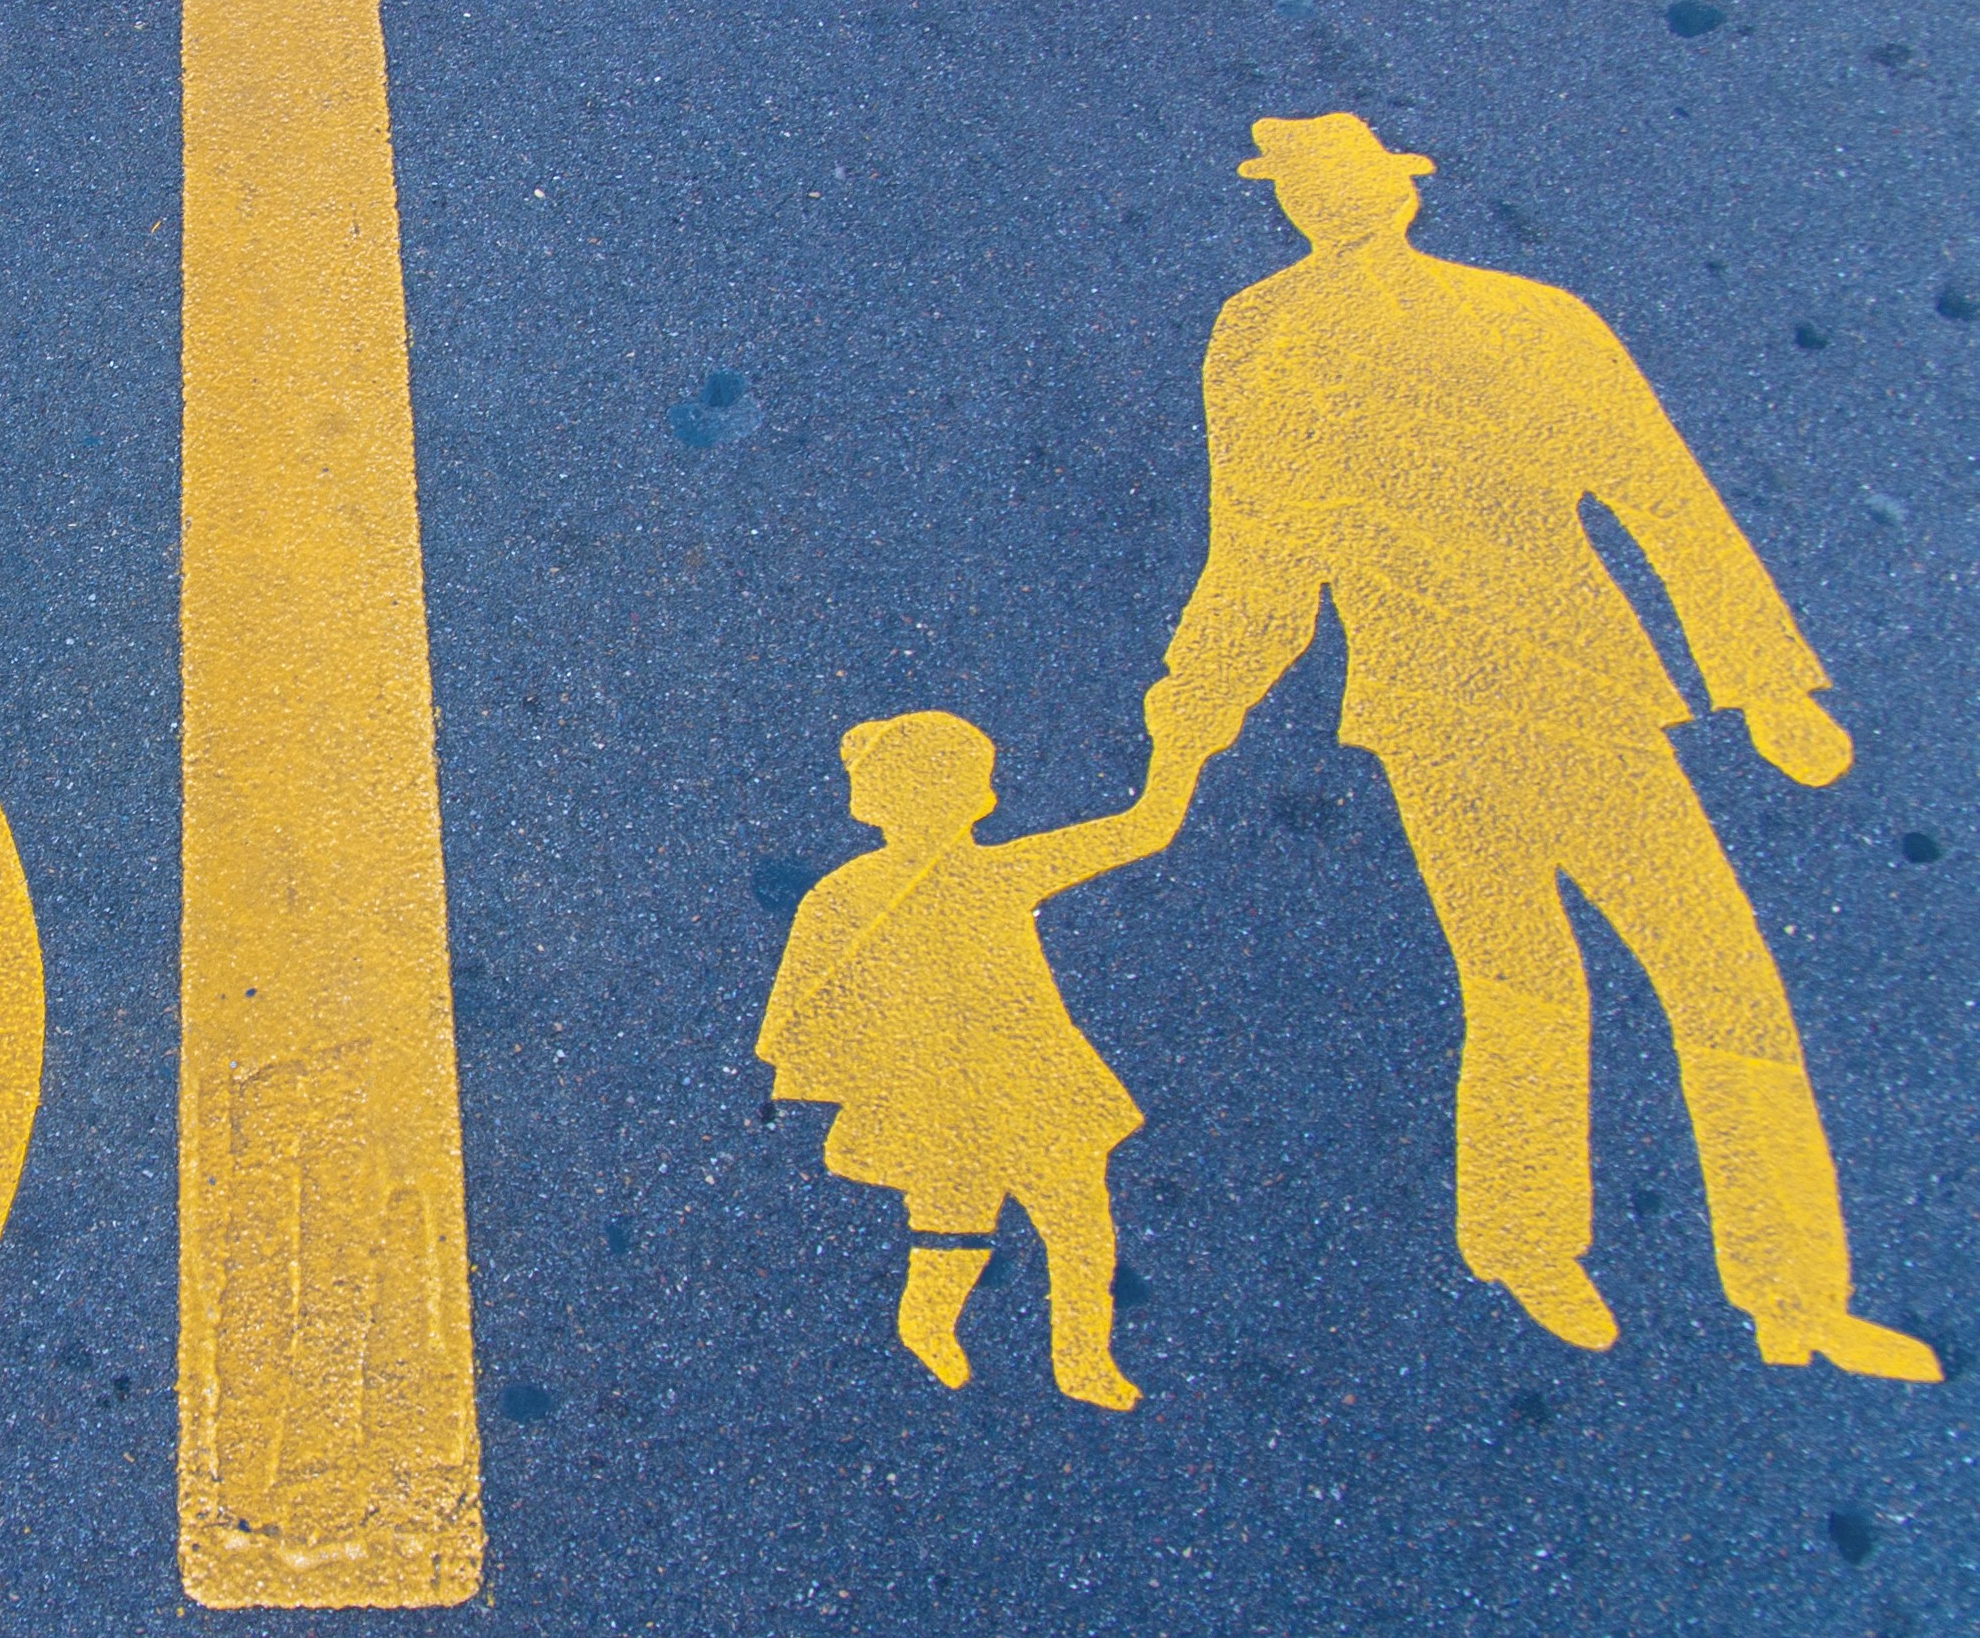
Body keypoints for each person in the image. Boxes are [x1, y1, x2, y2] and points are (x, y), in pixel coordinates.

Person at [1141, 113, 1936, 1381]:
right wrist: (1202, 689)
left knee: (1684, 975)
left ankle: (1772, 1291)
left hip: (1564, 691)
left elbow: (1660, 496)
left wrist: (1769, 686)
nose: (1326, 201)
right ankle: (1552, 1247)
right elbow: (1263, 542)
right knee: (1549, 979)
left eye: (1335, 178)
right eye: (1307, 186)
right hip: (1449, 700)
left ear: (1391, 191)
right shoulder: (1274, 335)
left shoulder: (1515, 318)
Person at [760, 712, 1183, 1410]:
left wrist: (1179, 755)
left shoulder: (1002, 870)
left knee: (1077, 1219)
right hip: (935, 1080)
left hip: (1033, 1072)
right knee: (955, 1216)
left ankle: (1082, 1356)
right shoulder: (845, 895)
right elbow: (806, 999)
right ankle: (928, 1323)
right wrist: (843, 1068)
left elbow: (1142, 829)